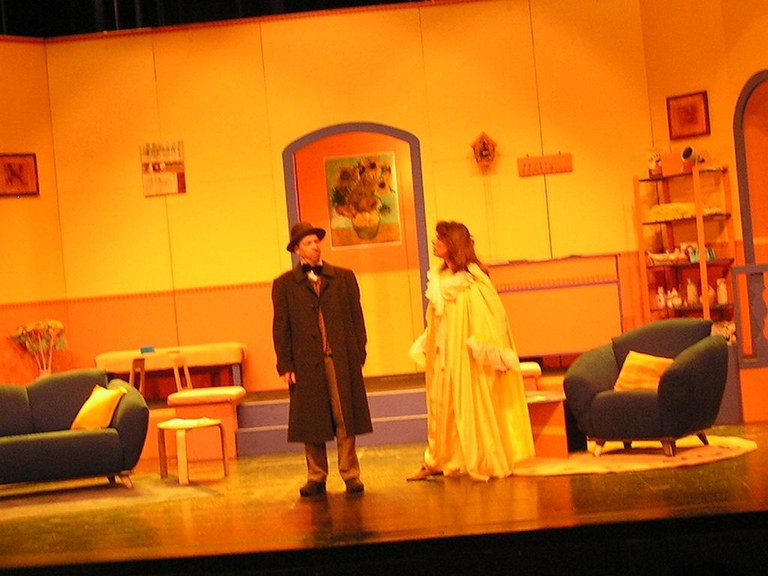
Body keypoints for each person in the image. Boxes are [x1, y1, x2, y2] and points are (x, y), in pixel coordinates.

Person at [408, 221, 535, 482]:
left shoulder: (473, 281)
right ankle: (436, 460)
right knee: (440, 408)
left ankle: (484, 459)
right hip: (442, 354)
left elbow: (492, 319)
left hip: (466, 356)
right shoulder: (439, 278)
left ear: (452, 244)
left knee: (473, 406)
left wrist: (488, 351)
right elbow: (436, 318)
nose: (434, 242)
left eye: (440, 239)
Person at [272, 221, 373, 497]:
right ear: (297, 250)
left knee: (344, 416)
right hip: (306, 362)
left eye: (316, 241)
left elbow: (357, 318)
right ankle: (316, 475)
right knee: (313, 419)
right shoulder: (285, 285)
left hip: (338, 359)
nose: (315, 246)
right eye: (308, 243)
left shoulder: (343, 278)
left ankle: (350, 473)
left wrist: (359, 352)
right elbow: (281, 327)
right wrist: (285, 364)